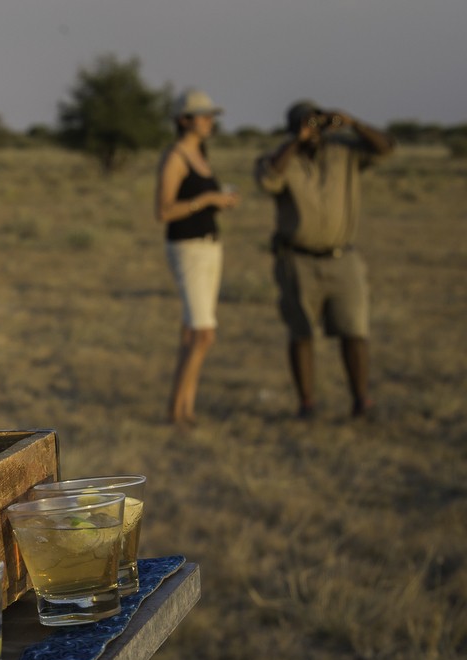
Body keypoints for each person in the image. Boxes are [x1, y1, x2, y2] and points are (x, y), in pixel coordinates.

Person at [254, 100, 395, 419]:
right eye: (305, 123)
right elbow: (268, 179)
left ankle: (361, 401)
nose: (313, 129)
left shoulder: (345, 151)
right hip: (297, 259)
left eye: (316, 122)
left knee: (354, 330)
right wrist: (296, 141)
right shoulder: (281, 158)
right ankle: (307, 404)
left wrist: (353, 123)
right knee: (301, 331)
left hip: (343, 257)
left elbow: (386, 149)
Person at [156, 88, 239, 426]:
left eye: (210, 116)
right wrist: (205, 201)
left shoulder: (200, 154)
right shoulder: (175, 156)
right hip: (188, 248)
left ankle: (184, 408)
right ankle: (177, 411)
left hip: (208, 246)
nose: (209, 121)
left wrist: (219, 201)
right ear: (184, 120)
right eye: (203, 116)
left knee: (194, 332)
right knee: (203, 334)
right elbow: (163, 211)